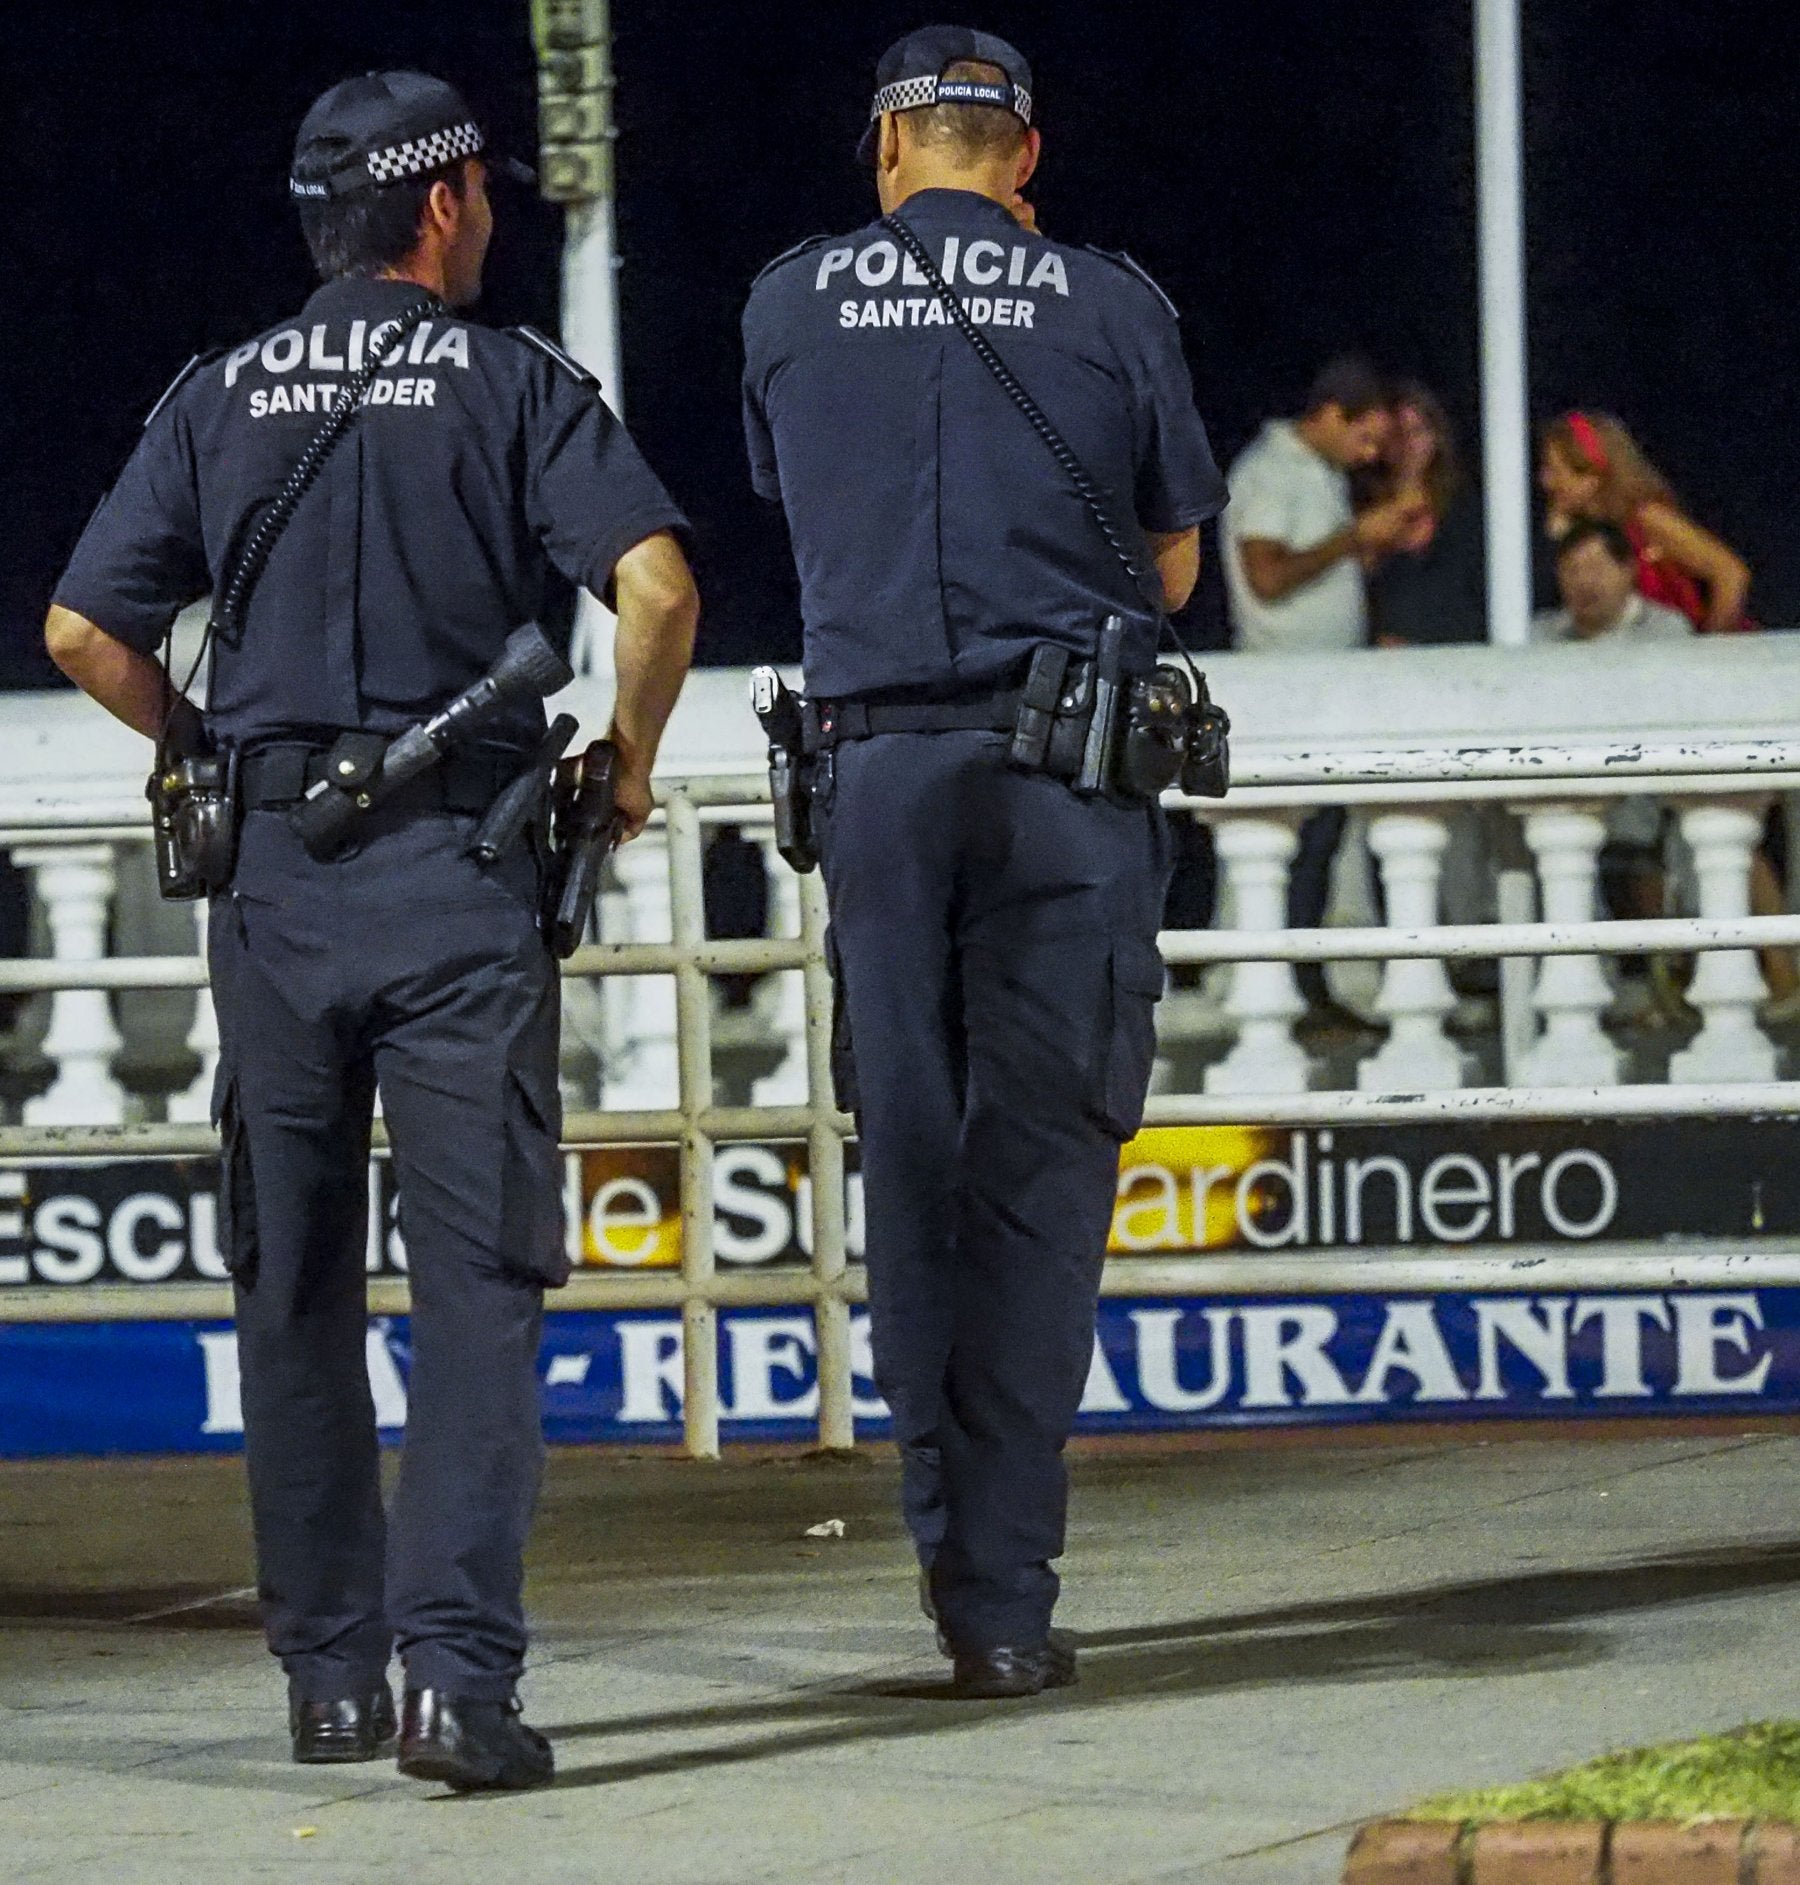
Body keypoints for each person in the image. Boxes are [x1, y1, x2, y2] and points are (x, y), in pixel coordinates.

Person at [44, 72, 698, 1790]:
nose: (488, 216)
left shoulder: (218, 393)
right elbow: (657, 589)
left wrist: (205, 757)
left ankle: (326, 1682)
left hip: (271, 882)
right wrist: (621, 768)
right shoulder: (512, 385)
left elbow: (79, 631)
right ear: (438, 206)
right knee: (479, 1285)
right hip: (458, 878)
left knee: (294, 1283)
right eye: (481, 193)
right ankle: (456, 1688)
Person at [741, 26, 1225, 1697]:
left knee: (916, 1180)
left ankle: (952, 1555)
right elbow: (1167, 567)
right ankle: (1000, 1597)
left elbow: (803, 510)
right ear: (1026, 158)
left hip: (876, 781)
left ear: (889, 155)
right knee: (1041, 1189)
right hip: (1066, 787)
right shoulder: (1112, 306)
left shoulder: (788, 302)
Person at [1223, 358, 1425, 1023]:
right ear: (1333, 412)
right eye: (1365, 436)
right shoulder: (1270, 472)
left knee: (1325, 842)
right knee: (1301, 847)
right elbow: (1266, 578)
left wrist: (1368, 541)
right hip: (1289, 695)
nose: (1368, 454)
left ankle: (1312, 988)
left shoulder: (1318, 475)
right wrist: (1351, 540)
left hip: (1329, 692)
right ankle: (1294, 990)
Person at [1539, 411, 1751, 634]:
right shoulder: (1578, 530)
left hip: (1678, 644)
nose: (1546, 481)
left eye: (1554, 471)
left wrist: (1709, 651)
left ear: (1590, 477)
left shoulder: (1647, 518)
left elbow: (1731, 573)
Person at [1363, 382, 1486, 648]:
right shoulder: (1364, 509)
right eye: (1398, 434)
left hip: (1453, 653)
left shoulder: (1464, 509)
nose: (1408, 444)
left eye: (1417, 432)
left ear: (1435, 437)